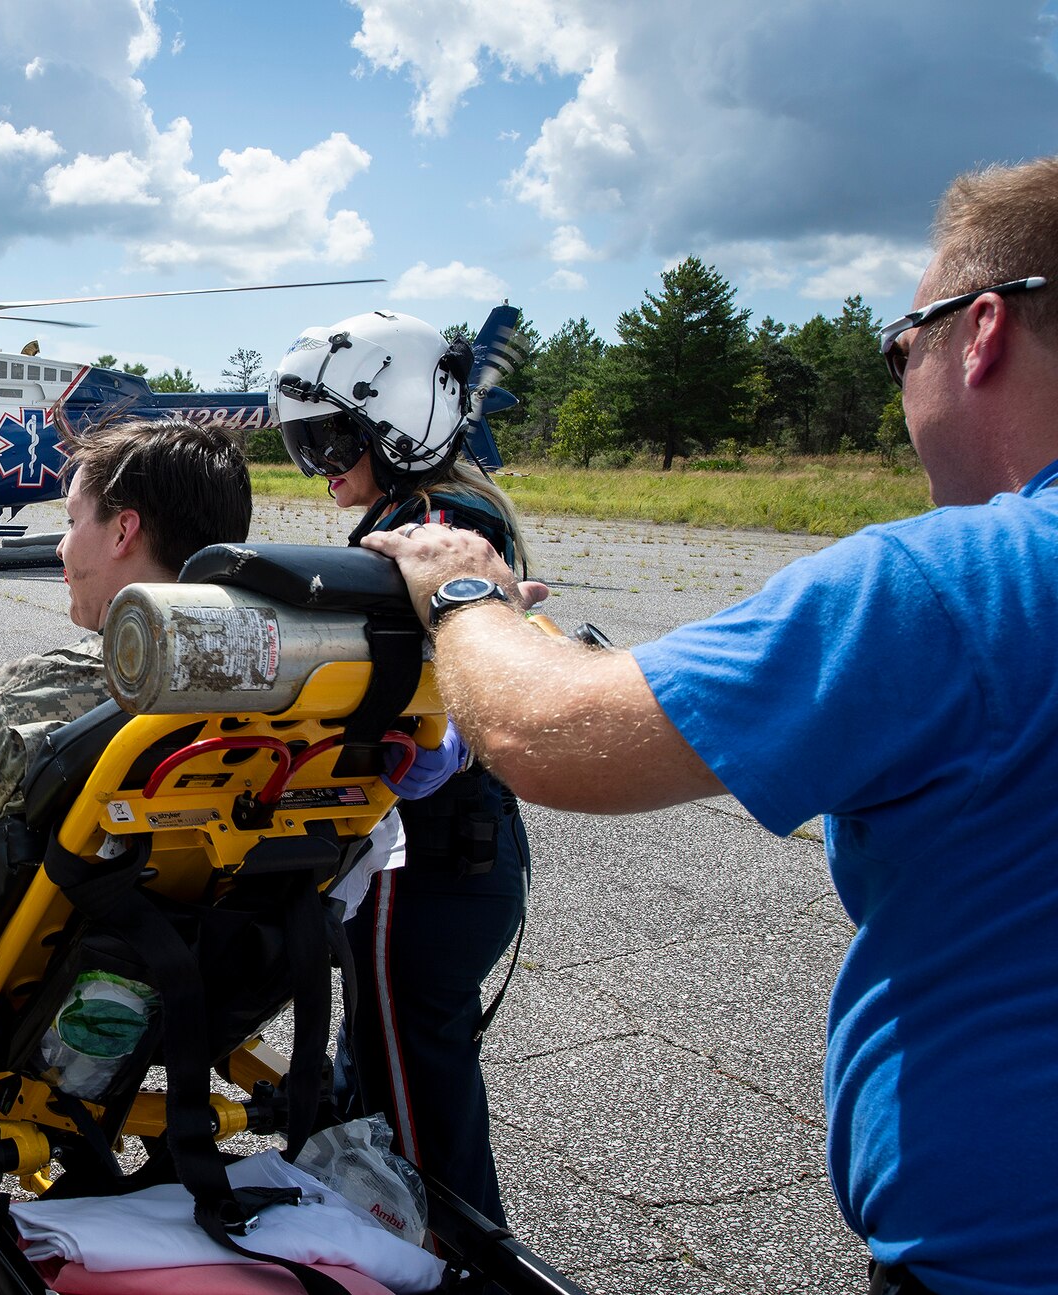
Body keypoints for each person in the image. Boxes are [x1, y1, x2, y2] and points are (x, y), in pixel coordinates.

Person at [362, 157, 1058, 1295]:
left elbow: (550, 735)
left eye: (899, 343)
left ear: (977, 332)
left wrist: (457, 591)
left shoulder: (946, 584)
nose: (899, 376)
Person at [270, 308, 538, 1225]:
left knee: (415, 1100)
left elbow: (432, 694)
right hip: (454, 851)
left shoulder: (431, 529)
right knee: (385, 1069)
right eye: (307, 443)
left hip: (426, 860)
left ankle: (462, 1260)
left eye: (331, 437)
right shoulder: (449, 512)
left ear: (399, 423)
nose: (321, 464)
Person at [0, 419, 254, 909]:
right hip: (204, 944)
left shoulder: (3, 712)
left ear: (123, 533)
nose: (60, 545)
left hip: (14, 962)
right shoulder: (295, 699)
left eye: (73, 521)